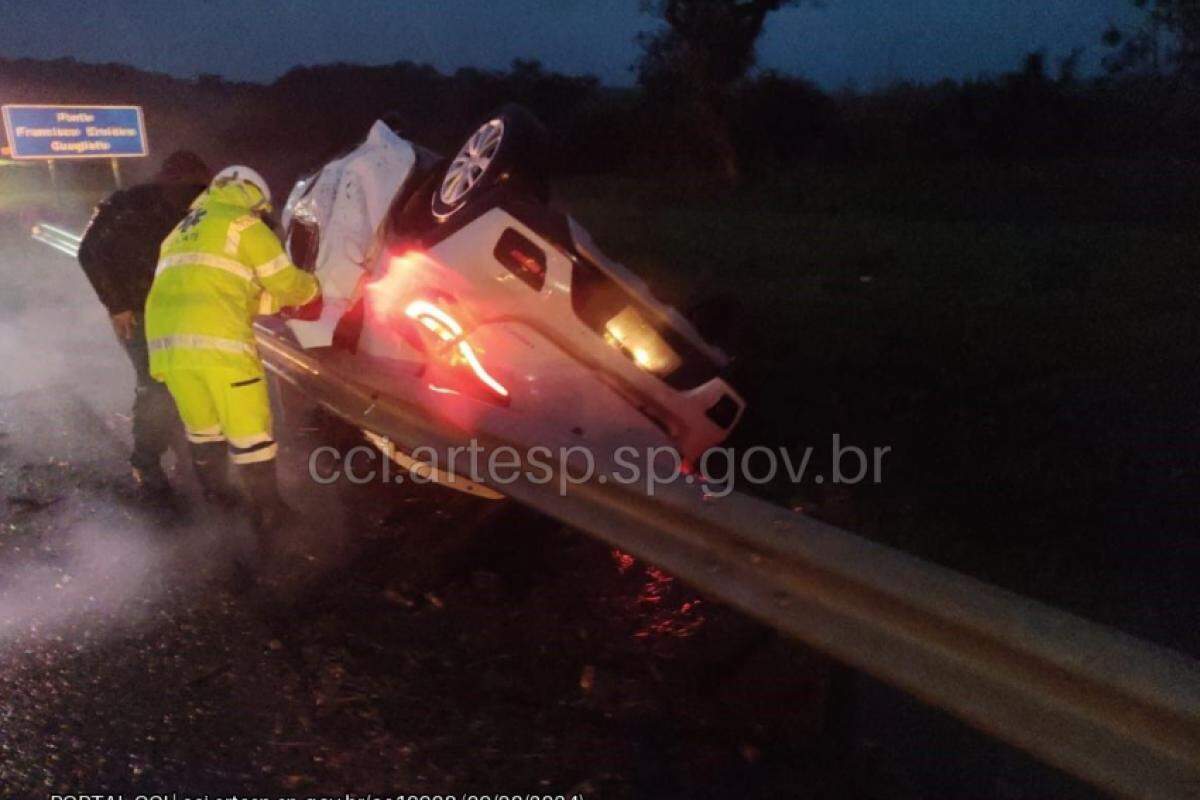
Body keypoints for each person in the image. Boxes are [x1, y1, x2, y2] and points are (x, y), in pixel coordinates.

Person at [144, 165, 321, 556]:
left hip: (168, 349)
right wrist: (312, 292)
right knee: (250, 434)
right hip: (220, 348)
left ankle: (220, 510)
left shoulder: (180, 231)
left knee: (203, 430)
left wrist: (273, 305)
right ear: (255, 198)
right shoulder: (244, 226)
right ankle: (269, 517)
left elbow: (222, 287)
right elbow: (288, 283)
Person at [77, 150, 212, 498]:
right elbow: (89, 251)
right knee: (157, 386)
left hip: (182, 312)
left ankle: (186, 455)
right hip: (138, 313)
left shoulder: (202, 208)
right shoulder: (127, 204)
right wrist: (118, 304)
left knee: (186, 383)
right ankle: (147, 461)